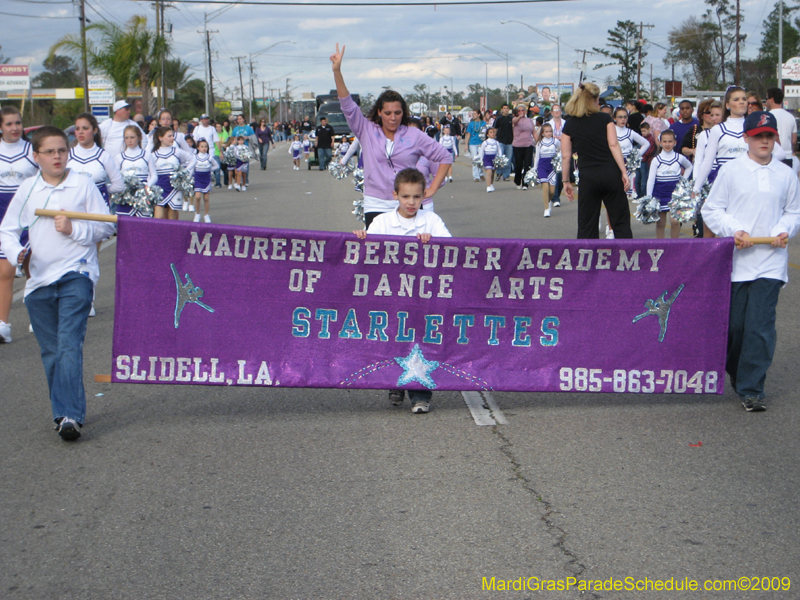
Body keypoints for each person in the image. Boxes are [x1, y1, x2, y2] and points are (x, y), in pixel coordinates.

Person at [0, 126, 116, 440]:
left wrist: (73, 228)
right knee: (51, 351)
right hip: (39, 282)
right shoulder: (28, 189)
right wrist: (19, 254)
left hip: (76, 274)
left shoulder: (83, 184)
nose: (57, 157)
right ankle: (62, 411)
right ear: (35, 156)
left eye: (62, 151)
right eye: (49, 152)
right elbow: (7, 230)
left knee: (69, 344)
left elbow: (105, 229)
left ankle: (70, 416)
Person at [701, 111, 800, 412]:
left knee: (760, 327)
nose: (764, 141)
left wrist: (784, 230)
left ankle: (752, 388)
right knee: (736, 328)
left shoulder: (786, 173)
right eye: (758, 136)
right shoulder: (731, 171)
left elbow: (793, 212)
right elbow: (712, 210)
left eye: (769, 136)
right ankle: (737, 369)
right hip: (737, 262)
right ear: (746, 138)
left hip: (771, 262)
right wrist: (735, 231)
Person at [352, 168, 450, 413]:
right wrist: (361, 238)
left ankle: (420, 393)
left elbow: (453, 249)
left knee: (420, 341)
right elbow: (366, 253)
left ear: (423, 197)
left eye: (416, 197)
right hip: (390, 296)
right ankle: (393, 382)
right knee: (392, 337)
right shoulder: (383, 221)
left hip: (422, 297)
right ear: (395, 195)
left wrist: (435, 242)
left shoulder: (432, 220)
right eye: (406, 196)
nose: (411, 202)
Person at [330, 43, 451, 227]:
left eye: (397, 113)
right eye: (387, 113)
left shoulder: (413, 135)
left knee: (408, 251)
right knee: (377, 252)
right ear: (379, 112)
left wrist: (432, 188)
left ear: (403, 113)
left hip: (406, 204)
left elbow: (445, 156)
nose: (393, 118)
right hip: (375, 203)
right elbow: (348, 106)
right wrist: (337, 71)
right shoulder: (366, 129)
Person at [561, 82, 632, 239]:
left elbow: (566, 156)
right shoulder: (605, 118)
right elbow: (614, 145)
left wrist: (566, 181)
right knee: (620, 222)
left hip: (588, 176)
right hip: (610, 173)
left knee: (587, 224)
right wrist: (624, 171)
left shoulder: (570, 123)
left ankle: (588, 260)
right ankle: (628, 257)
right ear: (594, 99)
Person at [0, 106, 38, 343]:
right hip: (3, 215)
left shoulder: (32, 150)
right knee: (5, 271)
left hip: (29, 215)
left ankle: (38, 319)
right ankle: (3, 325)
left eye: (18, 123)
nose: (15, 128)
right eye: (9, 124)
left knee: (34, 269)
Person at [68, 113, 124, 208]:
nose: (80, 132)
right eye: (77, 129)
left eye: (85, 128)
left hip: (98, 210)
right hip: (73, 209)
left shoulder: (103, 156)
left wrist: (99, 191)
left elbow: (119, 186)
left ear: (94, 130)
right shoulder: (68, 155)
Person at [646, 129, 692, 239]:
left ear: (675, 143)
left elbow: (689, 167)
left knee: (675, 221)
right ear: (660, 143)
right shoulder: (656, 160)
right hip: (660, 193)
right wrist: (649, 197)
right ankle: (660, 247)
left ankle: (674, 246)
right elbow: (651, 179)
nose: (667, 144)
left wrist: (683, 181)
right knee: (660, 223)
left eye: (670, 141)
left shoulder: (679, 157)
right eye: (665, 141)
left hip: (675, 193)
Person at [151, 126, 196, 220]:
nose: (172, 138)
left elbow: (193, 160)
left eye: (173, 136)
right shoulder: (153, 154)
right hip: (159, 187)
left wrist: (185, 172)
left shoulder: (176, 151)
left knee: (172, 219)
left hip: (174, 188)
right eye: (169, 136)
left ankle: (172, 235)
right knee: (158, 218)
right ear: (160, 138)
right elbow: (150, 172)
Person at [113, 124, 157, 217]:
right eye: (126, 138)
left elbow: (154, 175)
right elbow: (115, 177)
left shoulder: (146, 155)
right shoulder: (119, 157)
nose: (129, 140)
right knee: (125, 227)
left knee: (143, 227)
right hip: (125, 197)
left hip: (143, 195)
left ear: (139, 137)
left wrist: (148, 186)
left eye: (132, 137)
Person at [533, 122, 561, 217]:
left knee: (552, 190)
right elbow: (537, 157)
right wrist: (534, 169)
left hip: (552, 166)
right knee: (545, 187)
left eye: (550, 131)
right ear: (542, 133)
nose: (549, 133)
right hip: (542, 166)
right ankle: (546, 209)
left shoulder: (555, 141)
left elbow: (561, 149)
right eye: (547, 131)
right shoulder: (539, 143)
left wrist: (559, 158)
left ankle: (548, 202)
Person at [765, 87, 797, 163]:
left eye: (766, 99)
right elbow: (794, 140)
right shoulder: (791, 117)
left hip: (772, 157)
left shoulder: (767, 117)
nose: (766, 101)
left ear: (771, 100)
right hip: (788, 157)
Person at [511, 104, 536, 190]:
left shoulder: (529, 120)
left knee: (527, 164)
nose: (522, 112)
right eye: (519, 110)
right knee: (519, 164)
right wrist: (519, 117)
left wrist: (538, 141)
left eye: (523, 110)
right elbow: (514, 122)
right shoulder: (515, 119)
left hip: (528, 144)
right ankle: (517, 180)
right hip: (518, 145)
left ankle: (525, 182)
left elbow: (534, 132)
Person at [192, 139, 214, 223]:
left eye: (205, 146)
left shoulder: (209, 157)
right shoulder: (195, 157)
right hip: (197, 178)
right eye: (202, 146)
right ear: (198, 147)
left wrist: (210, 169)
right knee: (197, 196)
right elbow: (192, 166)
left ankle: (206, 214)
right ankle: (197, 214)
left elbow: (216, 165)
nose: (204, 148)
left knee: (206, 198)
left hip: (206, 178)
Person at [493, 104, 514, 182]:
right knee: (500, 158)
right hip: (500, 141)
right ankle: (498, 173)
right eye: (504, 108)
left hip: (509, 142)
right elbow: (495, 129)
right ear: (501, 109)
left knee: (508, 160)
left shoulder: (511, 118)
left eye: (507, 108)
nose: (505, 110)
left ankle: (506, 175)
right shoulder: (499, 119)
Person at [465, 110, 487, 182]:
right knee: (475, 159)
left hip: (481, 143)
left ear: (479, 114)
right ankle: (476, 176)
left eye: (474, 114)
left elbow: (485, 133)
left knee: (481, 159)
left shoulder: (483, 123)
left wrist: (484, 142)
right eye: (473, 114)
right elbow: (468, 134)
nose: (473, 115)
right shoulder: (471, 124)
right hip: (473, 143)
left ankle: (481, 174)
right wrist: (466, 144)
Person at [478, 127, 500, 193]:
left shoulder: (497, 142)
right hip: (487, 158)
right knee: (489, 171)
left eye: (493, 132)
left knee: (493, 172)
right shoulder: (485, 142)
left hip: (494, 158)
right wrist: (480, 159)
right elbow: (481, 151)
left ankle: (491, 184)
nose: (492, 134)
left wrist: (500, 158)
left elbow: (499, 151)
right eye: (491, 132)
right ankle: (488, 186)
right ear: (487, 134)